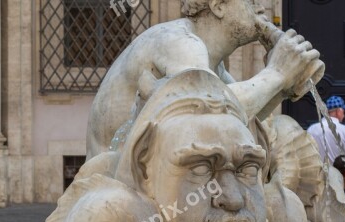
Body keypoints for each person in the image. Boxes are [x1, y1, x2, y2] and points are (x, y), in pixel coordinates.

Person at [86, 0, 325, 159]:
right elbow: (211, 114)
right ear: (218, 5)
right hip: (119, 191)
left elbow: (239, 117)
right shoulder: (180, 42)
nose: (262, 9)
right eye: (252, 2)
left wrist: (282, 88)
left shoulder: (212, 62)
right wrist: (277, 73)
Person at [307, 96, 345, 164]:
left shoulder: (311, 129)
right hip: (339, 173)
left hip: (317, 173)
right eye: (343, 111)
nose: (344, 115)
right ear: (338, 111)